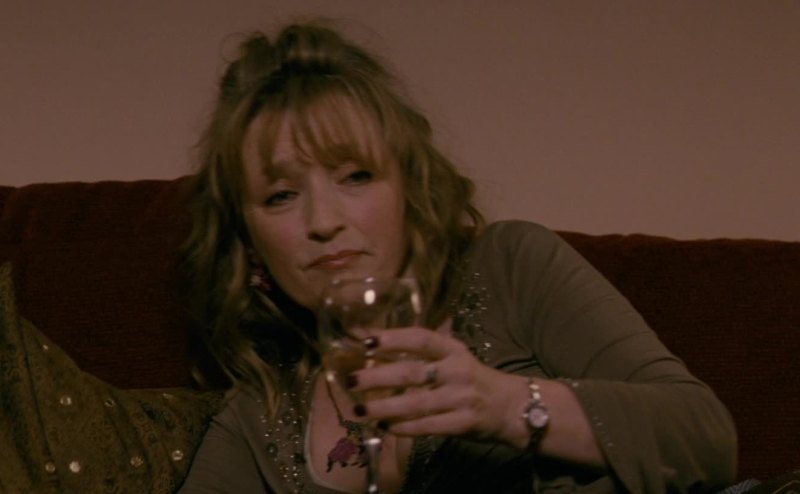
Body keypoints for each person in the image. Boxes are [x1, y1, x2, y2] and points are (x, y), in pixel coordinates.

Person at [177, 21, 736, 493]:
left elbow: (707, 441)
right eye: (280, 195)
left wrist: (504, 405)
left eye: (356, 176)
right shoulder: (262, 411)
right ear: (247, 239)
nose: (323, 221)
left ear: (408, 187)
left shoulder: (510, 267)